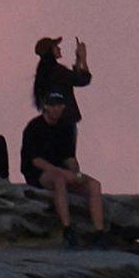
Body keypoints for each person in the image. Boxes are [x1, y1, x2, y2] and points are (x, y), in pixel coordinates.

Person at [20, 89, 112, 248]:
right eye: (52, 105)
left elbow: (69, 157)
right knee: (60, 180)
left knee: (94, 185)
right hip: (39, 173)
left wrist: (76, 173)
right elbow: (35, 161)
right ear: (45, 107)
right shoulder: (34, 127)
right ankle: (67, 229)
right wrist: (62, 172)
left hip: (62, 170)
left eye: (59, 105)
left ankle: (99, 232)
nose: (56, 109)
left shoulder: (65, 127)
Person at [32, 35, 92, 123]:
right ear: (50, 51)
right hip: (64, 122)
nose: (59, 48)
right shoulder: (58, 71)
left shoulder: (45, 72)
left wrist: (78, 60)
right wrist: (83, 58)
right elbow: (83, 79)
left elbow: (73, 78)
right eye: (56, 46)